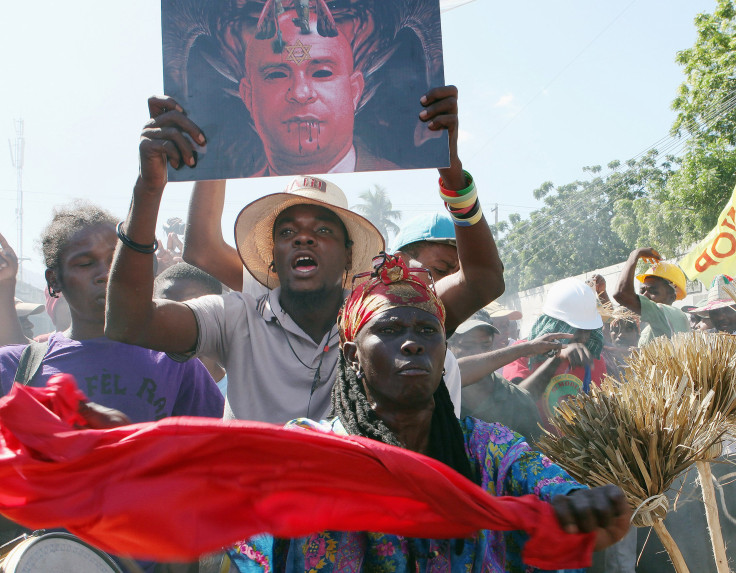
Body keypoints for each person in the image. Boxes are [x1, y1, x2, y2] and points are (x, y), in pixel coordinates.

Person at [106, 85, 503, 424]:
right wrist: (149, 187)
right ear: (271, 259)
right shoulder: (236, 316)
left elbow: (482, 281)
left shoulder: (383, 319)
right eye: (288, 232)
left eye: (324, 230)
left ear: (350, 258)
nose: (304, 239)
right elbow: (129, 323)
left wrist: (452, 174)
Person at [225, 253, 631, 572]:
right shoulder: (312, 452)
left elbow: (552, 484)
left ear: (442, 356)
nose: (412, 344)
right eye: (388, 330)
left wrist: (585, 503)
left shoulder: (487, 450)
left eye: (426, 331)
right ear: (352, 357)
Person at [0, 203, 224, 573]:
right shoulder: (18, 367)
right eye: (85, 263)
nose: (105, 273)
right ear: (54, 280)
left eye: (117, 258)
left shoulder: (174, 362)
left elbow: (216, 468)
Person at [503, 278, 607, 428]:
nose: (583, 338)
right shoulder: (522, 353)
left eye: (588, 331)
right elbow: (518, 404)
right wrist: (556, 358)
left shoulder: (593, 360)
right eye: (577, 330)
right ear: (554, 325)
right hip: (535, 449)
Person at [447, 318, 544, 441]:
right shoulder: (440, 395)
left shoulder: (518, 399)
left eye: (485, 346)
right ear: (449, 347)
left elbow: (538, 451)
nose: (478, 353)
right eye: (468, 346)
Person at [153, 262, 228, 394]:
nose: (176, 322)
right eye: (165, 310)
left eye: (190, 309)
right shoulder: (140, 384)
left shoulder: (240, 394)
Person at [612, 247, 690, 346]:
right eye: (642, 291)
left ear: (671, 297)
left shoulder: (667, 314)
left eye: (653, 291)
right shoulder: (652, 326)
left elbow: (621, 294)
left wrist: (634, 254)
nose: (644, 295)